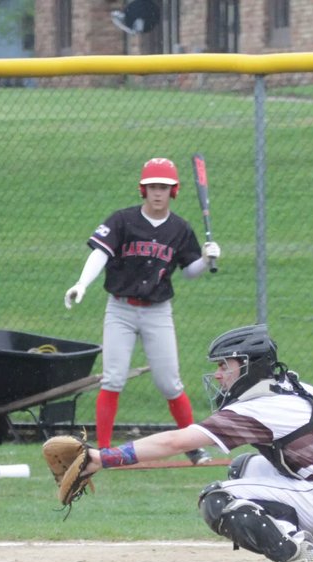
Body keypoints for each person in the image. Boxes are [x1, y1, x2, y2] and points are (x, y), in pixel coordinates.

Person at [81, 324, 313, 562]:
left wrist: (101, 458)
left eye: (226, 366)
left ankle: (299, 552)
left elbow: (175, 442)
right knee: (243, 469)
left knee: (217, 499)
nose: (219, 374)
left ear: (250, 366)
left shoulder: (258, 408)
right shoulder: (300, 388)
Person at [64, 157, 221, 464]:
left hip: (157, 312)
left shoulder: (180, 229)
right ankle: (105, 452)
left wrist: (205, 259)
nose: (157, 192)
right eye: (151, 187)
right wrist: (82, 283)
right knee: (113, 378)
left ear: (173, 191)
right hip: (120, 309)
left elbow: (190, 271)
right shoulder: (122, 220)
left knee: (169, 382)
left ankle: (191, 444)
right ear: (142, 190)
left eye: (163, 187)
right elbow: (100, 253)